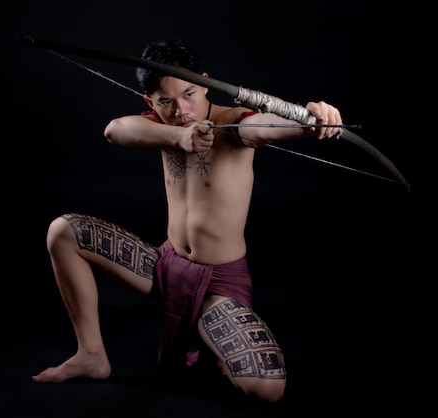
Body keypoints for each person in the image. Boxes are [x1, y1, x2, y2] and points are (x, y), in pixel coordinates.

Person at [31, 38, 343, 404]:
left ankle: (215, 338)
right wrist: (179, 136)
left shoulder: (236, 124)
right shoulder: (164, 125)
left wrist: (309, 120)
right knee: (63, 231)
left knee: (267, 390)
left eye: (189, 94)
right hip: (166, 266)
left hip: (219, 285)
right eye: (166, 101)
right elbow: (115, 130)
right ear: (151, 102)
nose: (181, 109)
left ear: (205, 82)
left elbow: (266, 126)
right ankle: (91, 356)